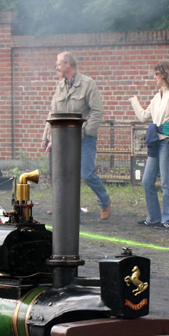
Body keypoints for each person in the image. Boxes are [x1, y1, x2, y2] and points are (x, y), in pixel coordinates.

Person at [41, 51, 111, 220]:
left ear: (68, 64)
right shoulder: (60, 86)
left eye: (58, 64)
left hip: (84, 138)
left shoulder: (88, 84)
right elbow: (53, 113)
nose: (56, 67)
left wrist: (86, 130)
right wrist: (46, 137)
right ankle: (66, 206)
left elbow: (97, 111)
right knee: (64, 173)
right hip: (63, 138)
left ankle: (105, 201)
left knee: (86, 173)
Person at [129, 61, 169, 228]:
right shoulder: (157, 96)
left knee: (167, 182)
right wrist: (135, 102)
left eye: (157, 74)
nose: (154, 77)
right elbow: (143, 116)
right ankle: (154, 217)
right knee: (147, 180)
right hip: (156, 143)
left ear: (165, 74)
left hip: (168, 141)